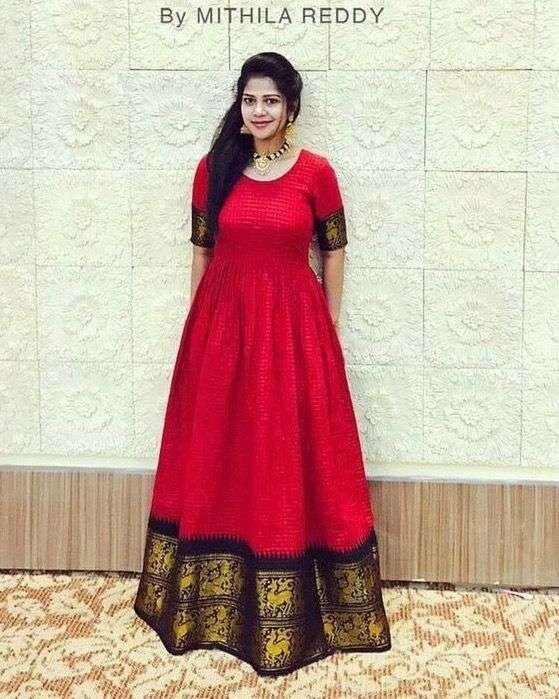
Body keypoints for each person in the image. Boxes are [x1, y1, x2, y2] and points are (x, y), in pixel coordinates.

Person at [133, 51, 392, 677]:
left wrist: (328, 325)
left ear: (291, 108)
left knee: (285, 451)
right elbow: (201, 252)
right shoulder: (213, 169)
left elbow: (334, 251)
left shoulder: (317, 173)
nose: (259, 111)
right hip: (222, 331)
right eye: (250, 100)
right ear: (240, 105)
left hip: (294, 330)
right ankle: (207, 604)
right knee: (221, 451)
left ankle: (294, 597)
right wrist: (199, 329)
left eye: (271, 100)